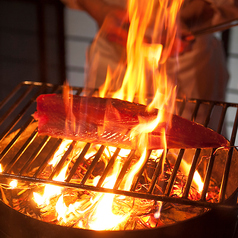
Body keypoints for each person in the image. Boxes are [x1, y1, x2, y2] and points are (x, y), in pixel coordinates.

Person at [61, 0, 238, 130]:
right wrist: (101, 9)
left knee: (194, 151)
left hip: (189, 63)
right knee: (102, 138)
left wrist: (193, 16)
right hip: (112, 57)